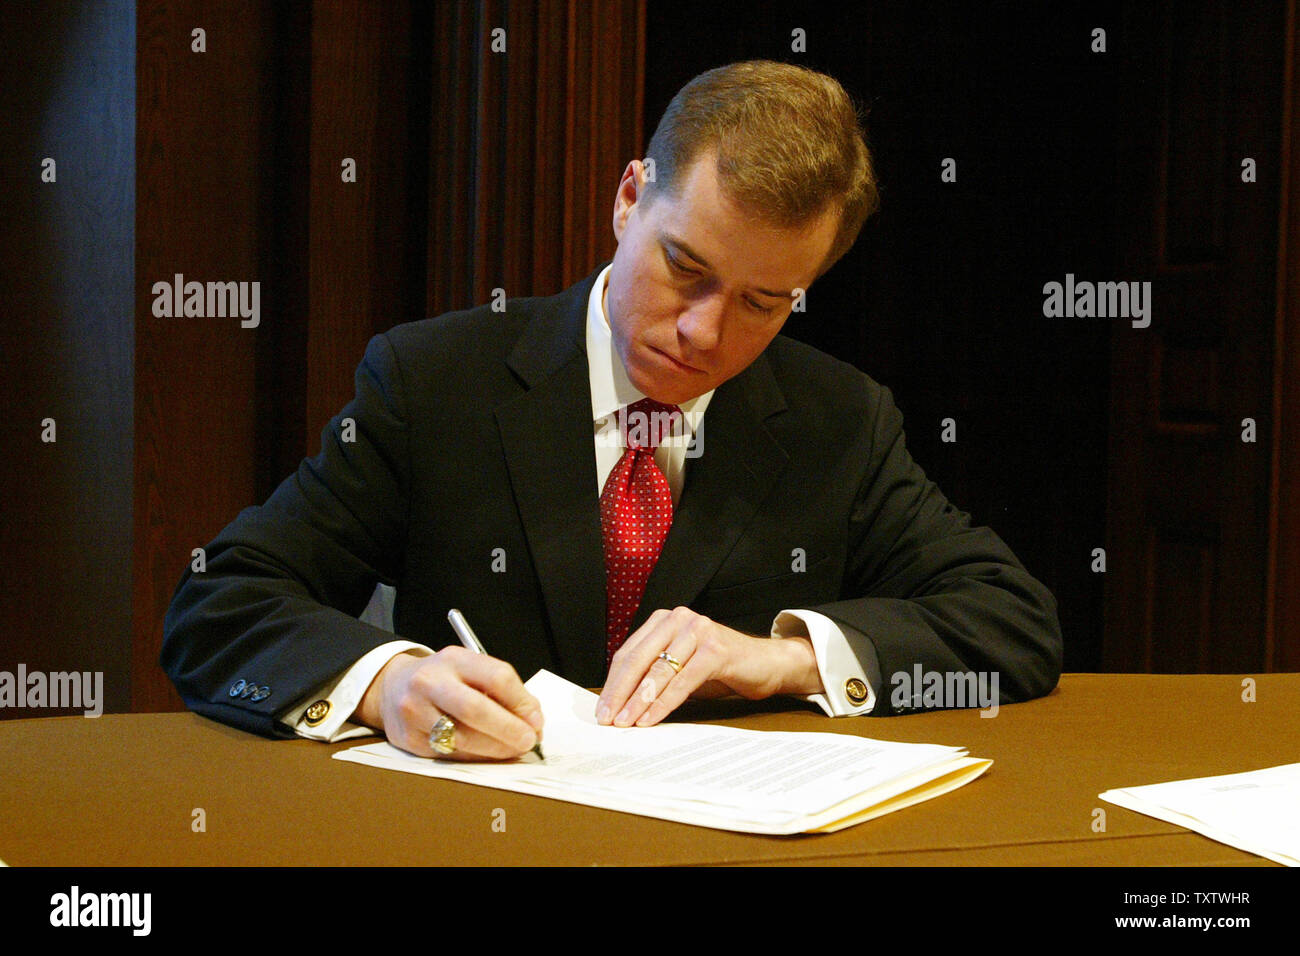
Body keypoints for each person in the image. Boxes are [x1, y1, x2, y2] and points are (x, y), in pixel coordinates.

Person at [162, 60, 1062, 762]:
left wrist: (780, 659)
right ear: (630, 199)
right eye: (685, 268)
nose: (705, 334)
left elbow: (1012, 623)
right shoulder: (435, 381)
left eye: (763, 302)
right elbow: (219, 605)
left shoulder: (839, 419)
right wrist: (386, 684)